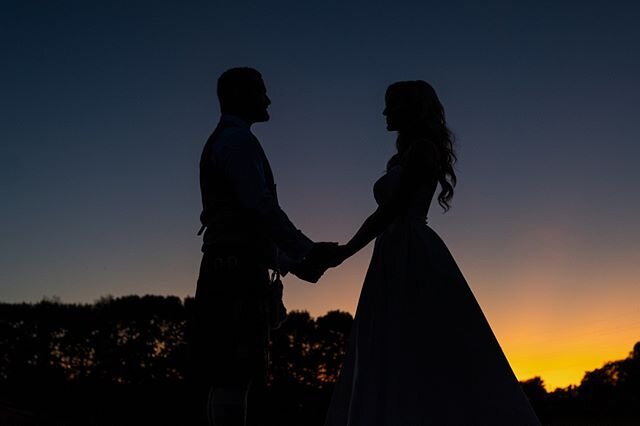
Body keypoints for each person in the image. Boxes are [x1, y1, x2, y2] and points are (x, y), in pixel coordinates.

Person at [316, 81, 542, 425]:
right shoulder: (402, 155)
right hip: (391, 251)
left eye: (392, 105)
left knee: (422, 339)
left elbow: (391, 210)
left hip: (411, 250)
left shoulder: (423, 150)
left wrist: (346, 251)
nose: (384, 112)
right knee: (391, 342)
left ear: (412, 108)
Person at [190, 67, 337, 426]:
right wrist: (306, 250)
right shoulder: (237, 143)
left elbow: (248, 220)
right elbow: (259, 208)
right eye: (261, 91)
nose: (268, 99)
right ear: (240, 95)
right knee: (235, 370)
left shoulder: (227, 141)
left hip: (229, 265)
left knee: (232, 373)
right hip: (236, 271)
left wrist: (294, 261)